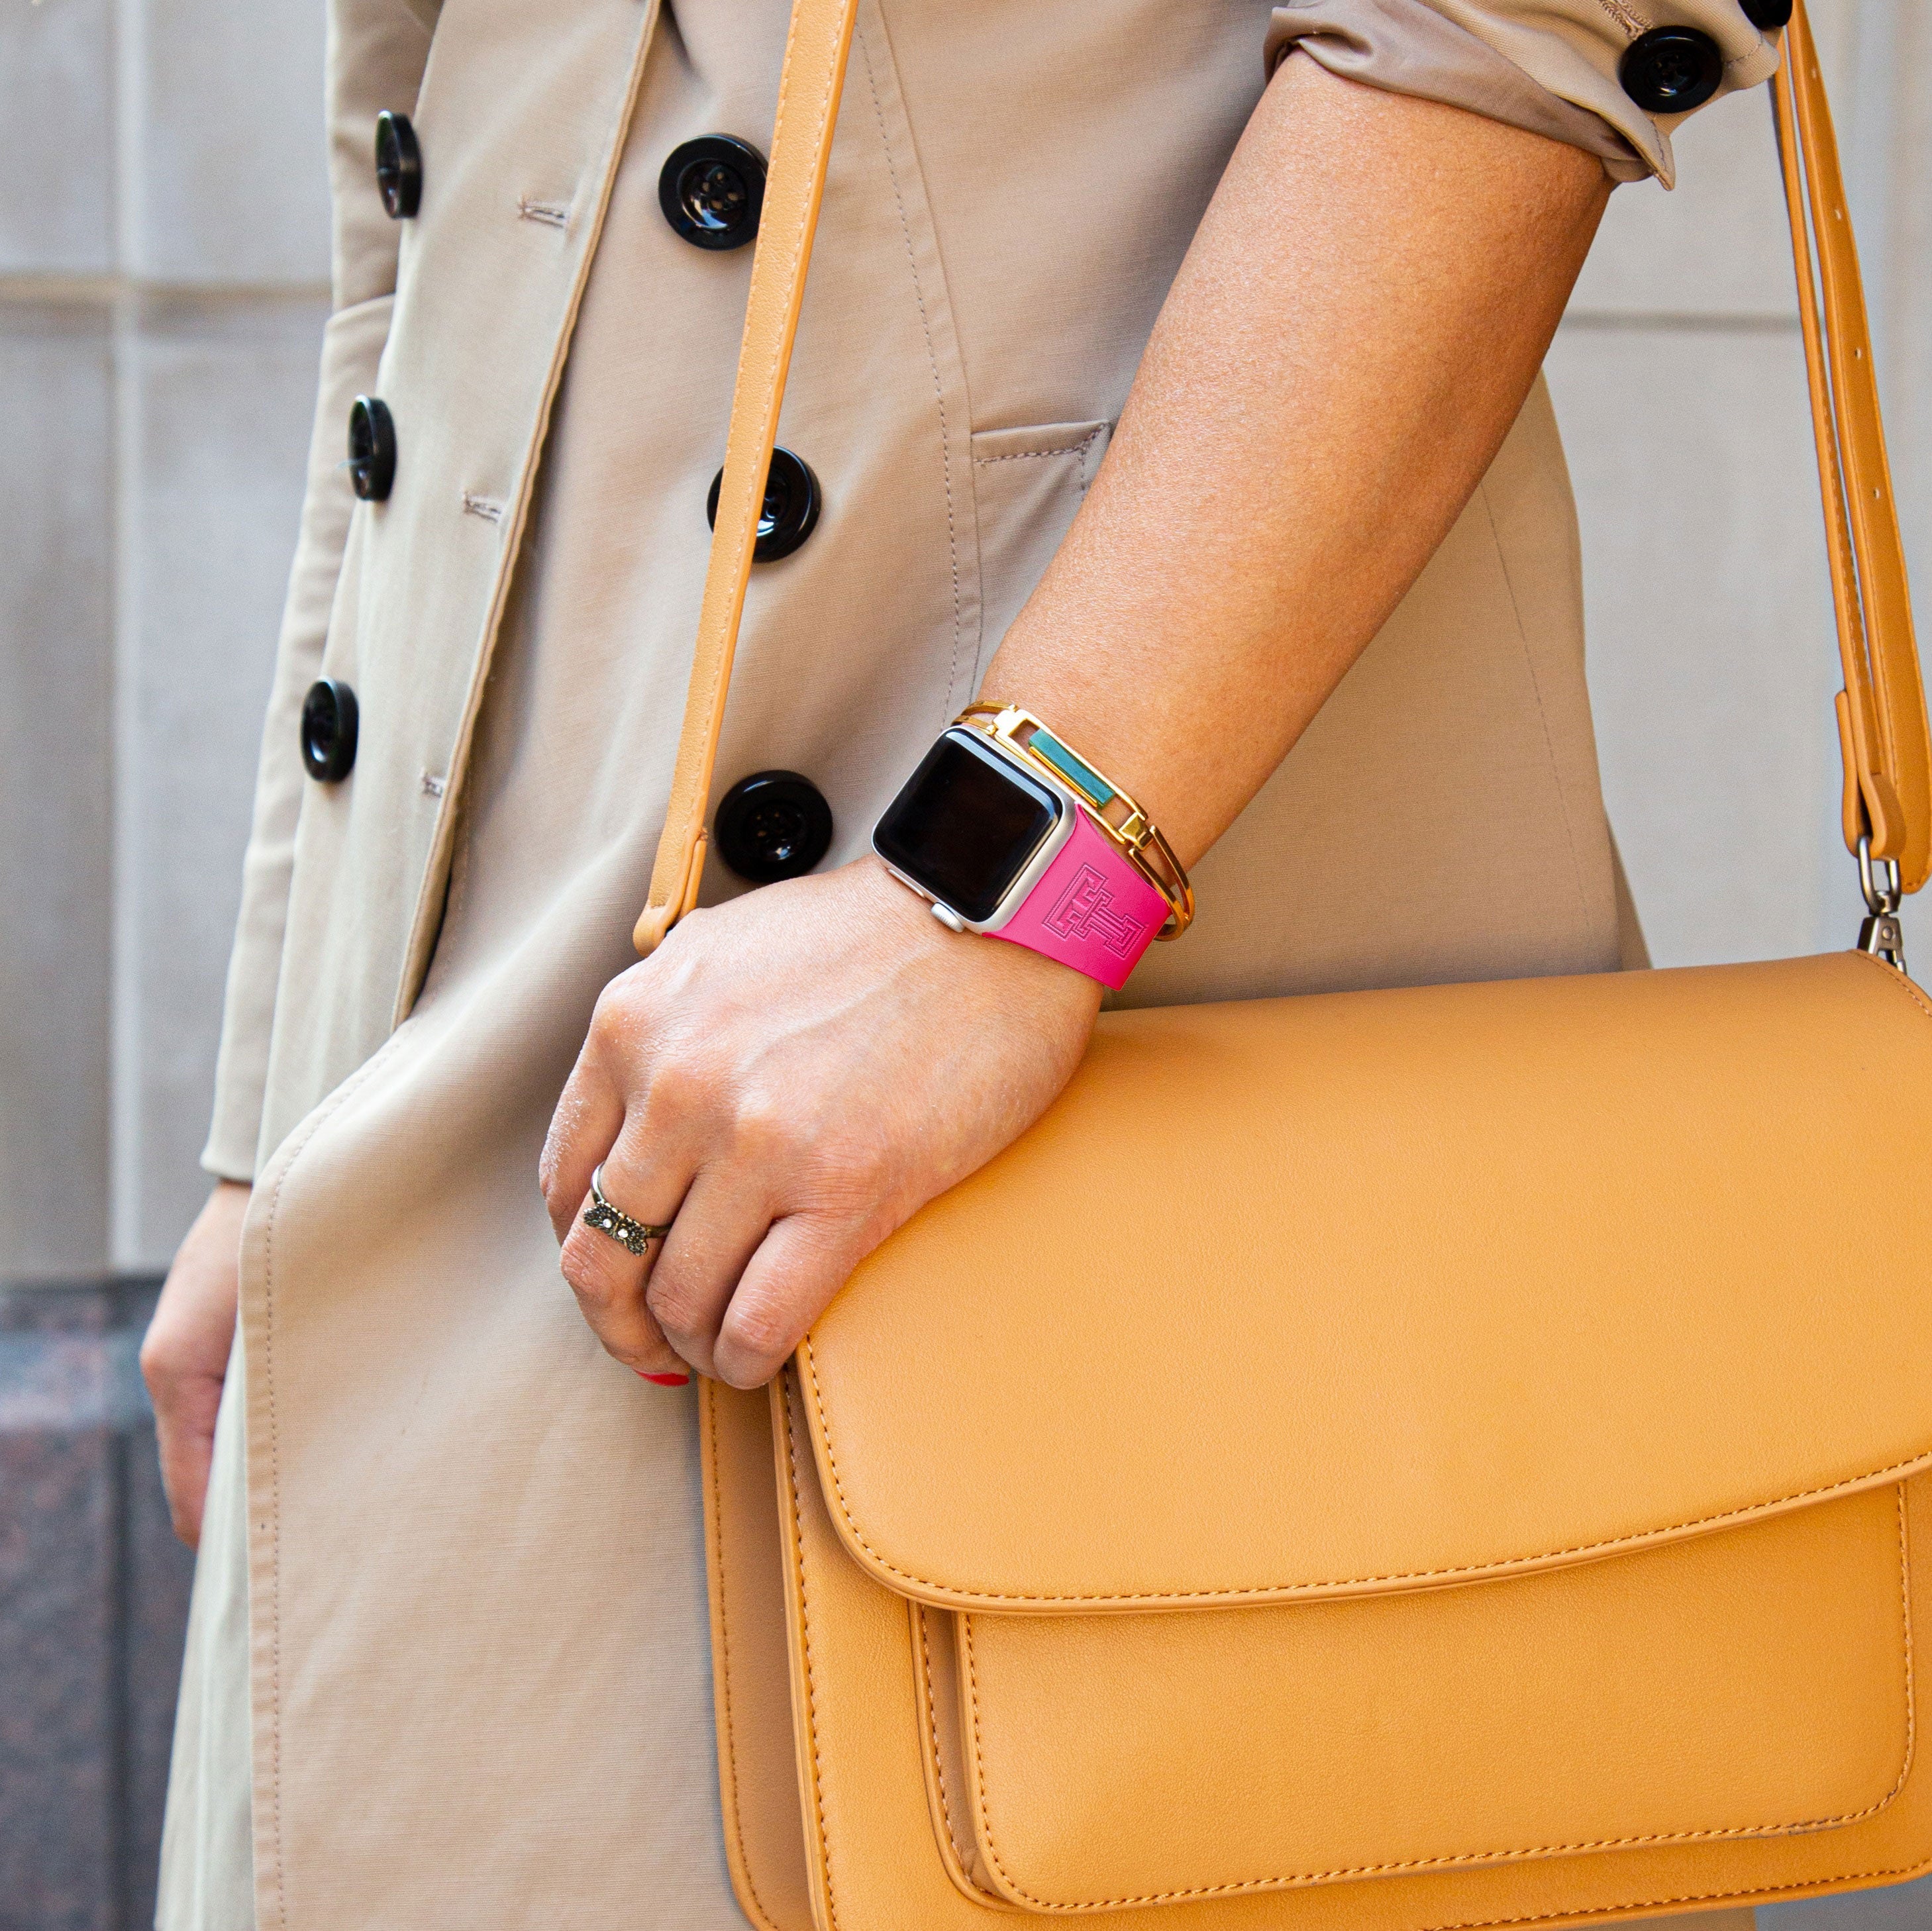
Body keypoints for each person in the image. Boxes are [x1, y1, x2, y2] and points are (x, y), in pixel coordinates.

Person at [141, 1, 1783, 1924]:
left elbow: (1503, 31)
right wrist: (283, 1114)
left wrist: (1002, 886)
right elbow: (410, 237)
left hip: (1060, 934)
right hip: (477, 1042)